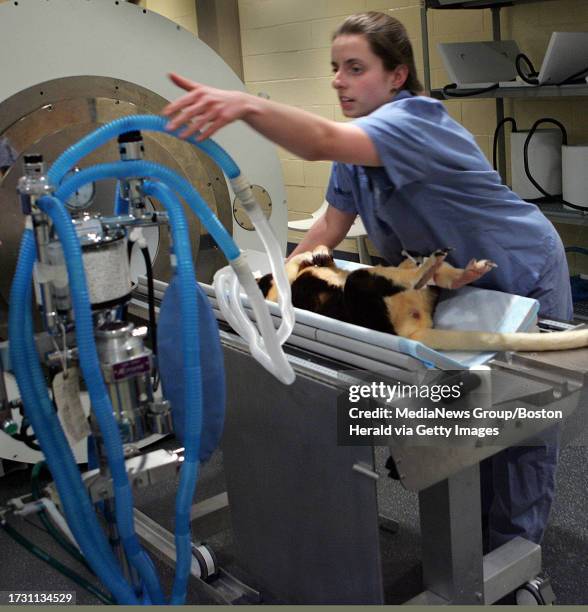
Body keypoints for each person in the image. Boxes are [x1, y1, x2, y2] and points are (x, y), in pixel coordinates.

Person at [163, 11, 572, 553]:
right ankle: (472, 548)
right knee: (459, 411)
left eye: (355, 68)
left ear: (397, 76)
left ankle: (520, 554)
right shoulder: (353, 151)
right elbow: (327, 230)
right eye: (335, 68)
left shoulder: (416, 119)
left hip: (521, 269)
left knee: (518, 420)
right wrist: (273, 289)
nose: (339, 80)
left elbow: (314, 141)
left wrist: (246, 105)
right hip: (451, 286)